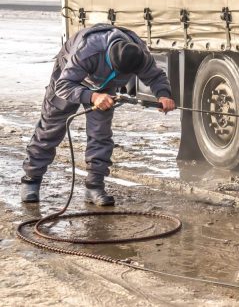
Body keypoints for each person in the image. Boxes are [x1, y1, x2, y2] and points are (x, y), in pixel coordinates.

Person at [21, 24, 176, 206]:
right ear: (111, 61)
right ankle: (31, 180)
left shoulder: (139, 54)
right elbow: (63, 85)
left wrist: (164, 94)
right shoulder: (88, 51)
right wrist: (93, 96)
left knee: (100, 133)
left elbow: (155, 76)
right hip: (69, 79)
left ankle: (94, 186)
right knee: (51, 128)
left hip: (105, 85)